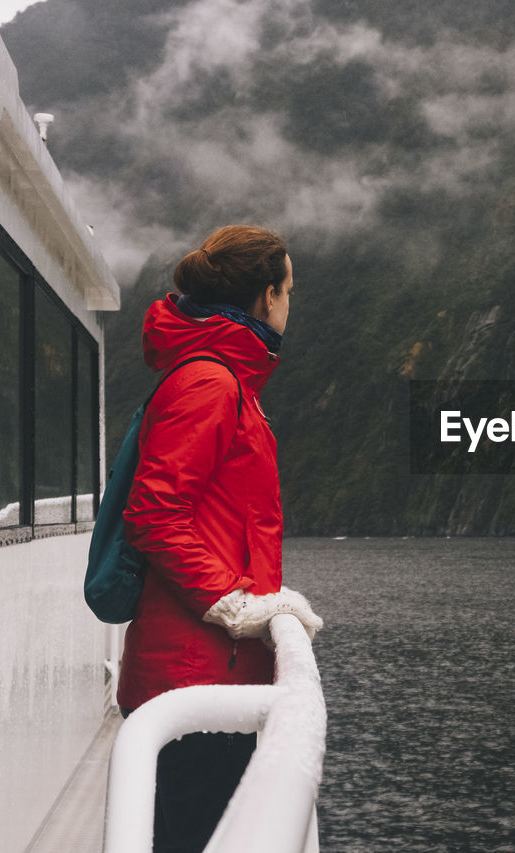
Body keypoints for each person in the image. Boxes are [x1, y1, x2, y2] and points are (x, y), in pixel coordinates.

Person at [118, 225, 323, 852]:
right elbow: (154, 513)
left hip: (208, 669)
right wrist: (234, 604)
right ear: (266, 297)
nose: (291, 304)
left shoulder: (227, 380)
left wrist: (261, 596)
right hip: (197, 675)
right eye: (289, 290)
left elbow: (222, 525)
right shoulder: (211, 384)